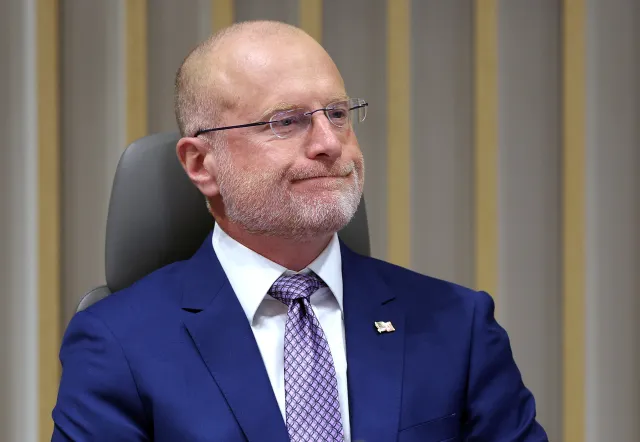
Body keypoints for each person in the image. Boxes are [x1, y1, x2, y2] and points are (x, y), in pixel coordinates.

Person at [52, 20, 547, 442]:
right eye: (286, 122)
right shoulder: (117, 343)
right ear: (202, 164)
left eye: (337, 114)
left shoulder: (457, 324)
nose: (329, 143)